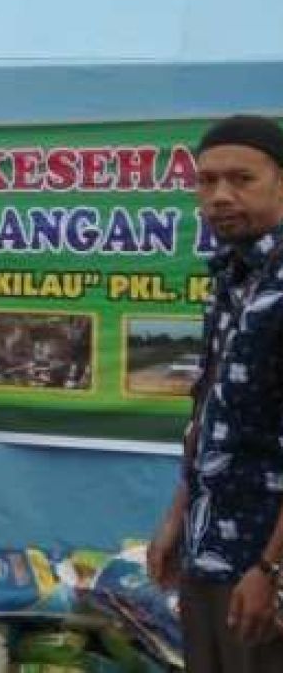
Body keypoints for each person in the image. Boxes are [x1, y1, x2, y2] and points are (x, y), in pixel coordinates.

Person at [148, 114, 283, 671]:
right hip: (208, 553)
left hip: (264, 567)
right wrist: (177, 518)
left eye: (242, 179)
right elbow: (210, 414)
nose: (220, 196)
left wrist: (272, 570)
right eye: (206, 181)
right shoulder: (231, 278)